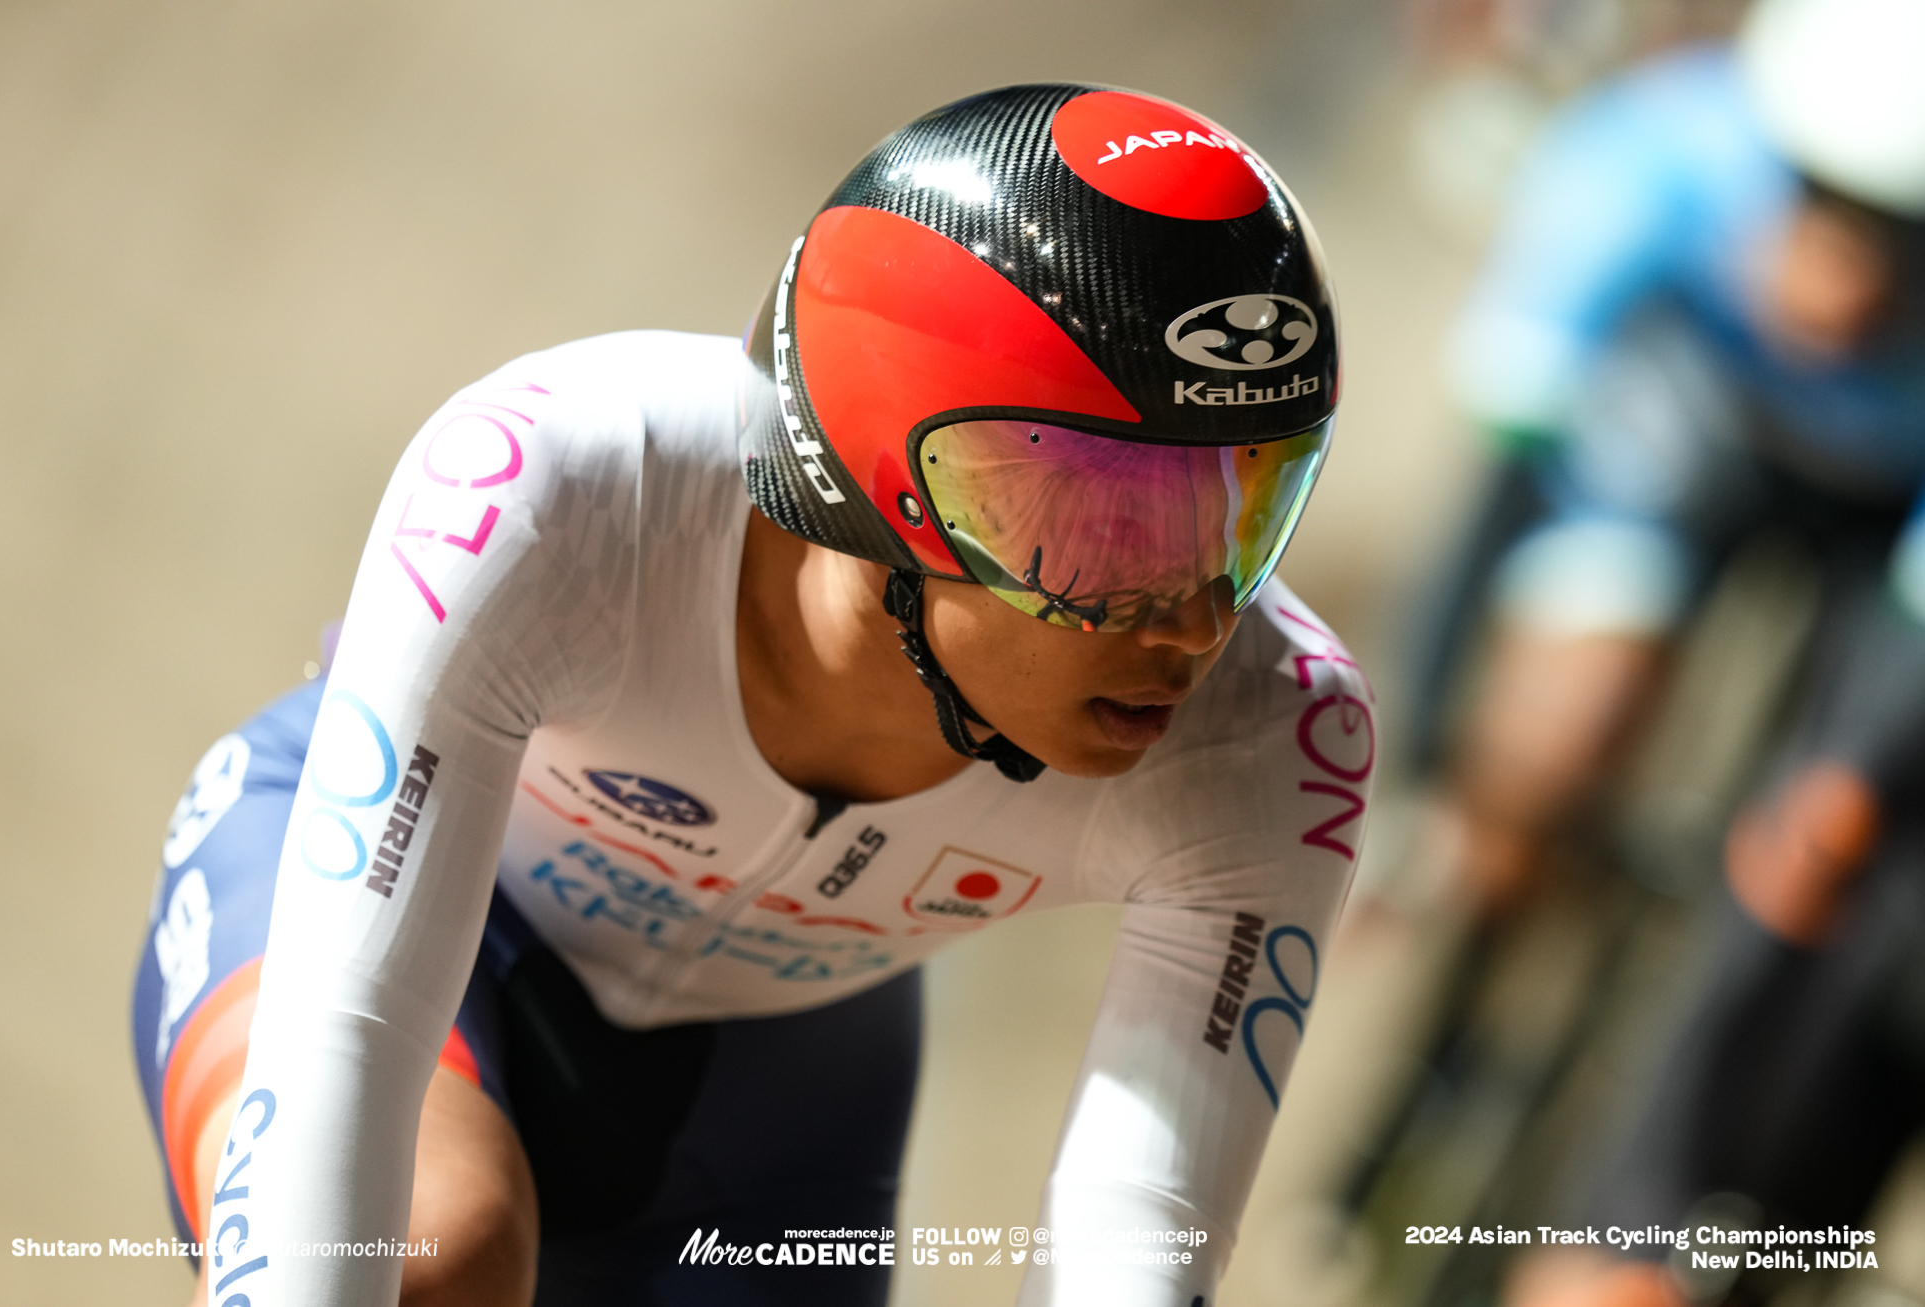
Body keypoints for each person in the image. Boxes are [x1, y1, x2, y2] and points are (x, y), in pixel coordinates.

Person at [130, 83, 1374, 1307]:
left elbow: (1134, 1246)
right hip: (415, 941)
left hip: (783, 1095)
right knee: (436, 1252)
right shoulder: (560, 486)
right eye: (1109, 535)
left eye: (1246, 511)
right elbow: (344, 1032)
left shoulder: (1278, 727)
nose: (1201, 620)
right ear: (891, 487)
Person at [1411, 0, 1925, 1301]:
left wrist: (1844, 792)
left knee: (1819, 854)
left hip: (1892, 514)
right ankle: (1461, 1010)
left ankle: (1650, 1233)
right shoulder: (1646, 161)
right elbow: (1501, 485)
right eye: (1818, 209)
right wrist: (1431, 751)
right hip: (1688, 409)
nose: (1849, 277)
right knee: (1564, 716)